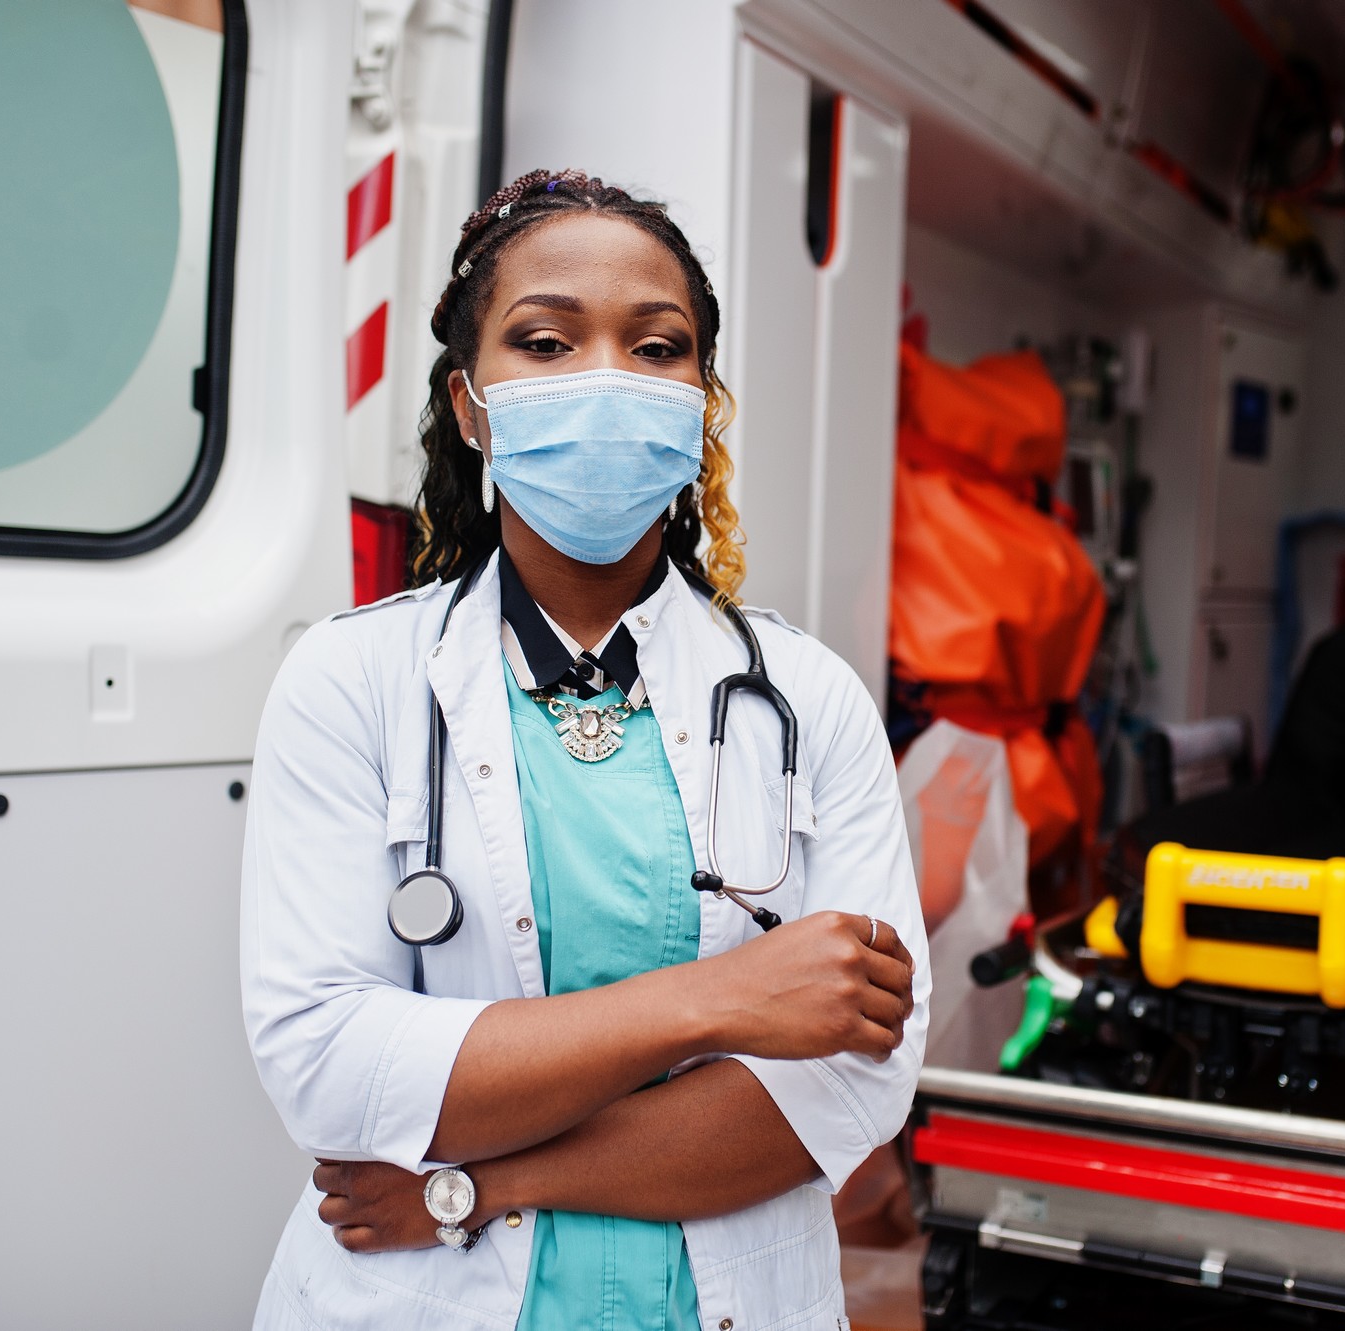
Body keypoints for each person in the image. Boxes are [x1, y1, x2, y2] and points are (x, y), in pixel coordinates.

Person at [240, 169, 930, 1331]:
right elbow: (329, 1067)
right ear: (471, 406)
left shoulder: (806, 697)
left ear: (698, 398)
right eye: (546, 341)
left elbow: (844, 1086)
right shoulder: (351, 681)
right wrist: (720, 1002)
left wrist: (478, 1180)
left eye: (656, 348)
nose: (606, 377)